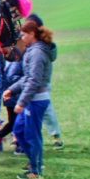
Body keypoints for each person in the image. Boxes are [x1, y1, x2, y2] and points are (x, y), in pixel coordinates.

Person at [3, 20, 54, 179]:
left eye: (23, 34)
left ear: (32, 34)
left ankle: (36, 170)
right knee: (18, 130)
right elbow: (27, 77)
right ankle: (34, 162)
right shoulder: (32, 50)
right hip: (32, 99)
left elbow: (34, 80)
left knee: (32, 135)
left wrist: (21, 102)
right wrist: (12, 89)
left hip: (36, 100)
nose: (21, 37)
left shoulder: (37, 53)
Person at [27, 13, 64, 149]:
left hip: (40, 81)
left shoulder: (43, 44)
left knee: (46, 109)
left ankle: (56, 137)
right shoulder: (29, 40)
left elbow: (51, 56)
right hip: (29, 79)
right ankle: (18, 138)